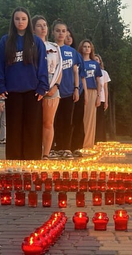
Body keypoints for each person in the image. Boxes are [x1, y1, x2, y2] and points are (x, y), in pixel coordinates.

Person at [0, 7, 48, 160]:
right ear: (13, 21)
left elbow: (42, 66)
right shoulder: (5, 41)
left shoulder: (36, 41)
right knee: (14, 128)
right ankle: (14, 160)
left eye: (23, 19)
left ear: (28, 21)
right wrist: (0, 85)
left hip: (33, 91)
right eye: (17, 19)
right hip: (13, 91)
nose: (20, 22)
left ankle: (32, 161)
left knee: (32, 127)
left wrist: (43, 86)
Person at [51, 20, 82, 159]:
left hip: (68, 91)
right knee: (52, 121)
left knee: (67, 121)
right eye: (58, 30)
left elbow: (76, 72)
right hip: (52, 92)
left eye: (63, 31)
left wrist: (76, 88)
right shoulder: (48, 48)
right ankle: (52, 148)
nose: (61, 33)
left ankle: (66, 148)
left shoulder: (72, 52)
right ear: (53, 32)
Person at [32, 15, 62, 160]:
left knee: (48, 122)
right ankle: (33, 151)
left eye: (45, 25)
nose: (43, 28)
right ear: (33, 28)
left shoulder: (54, 47)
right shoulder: (29, 46)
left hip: (51, 82)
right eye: (39, 25)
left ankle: (46, 154)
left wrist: (55, 86)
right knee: (34, 121)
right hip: (33, 83)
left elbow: (59, 69)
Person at [78, 39, 102, 149]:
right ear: (81, 48)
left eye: (88, 46)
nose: (87, 48)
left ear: (91, 49)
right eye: (84, 46)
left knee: (90, 119)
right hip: (80, 91)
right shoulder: (78, 62)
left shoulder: (95, 64)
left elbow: (98, 81)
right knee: (79, 118)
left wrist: (98, 96)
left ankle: (87, 144)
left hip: (92, 91)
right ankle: (77, 143)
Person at [94, 54, 111, 143]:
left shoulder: (104, 73)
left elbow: (105, 88)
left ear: (100, 61)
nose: (96, 60)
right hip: (92, 98)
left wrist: (106, 102)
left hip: (101, 99)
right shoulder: (90, 71)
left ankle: (100, 138)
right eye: (94, 59)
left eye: (97, 59)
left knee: (100, 120)